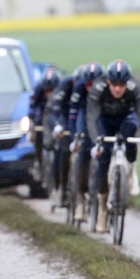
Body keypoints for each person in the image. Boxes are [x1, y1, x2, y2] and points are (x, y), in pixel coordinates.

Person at [86, 59, 140, 233]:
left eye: (121, 85)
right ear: (108, 81)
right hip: (104, 121)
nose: (117, 89)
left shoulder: (135, 88)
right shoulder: (98, 87)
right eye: (114, 84)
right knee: (104, 157)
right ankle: (102, 210)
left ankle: (131, 171)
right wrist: (95, 142)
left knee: (131, 133)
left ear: (127, 82)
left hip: (125, 119)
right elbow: (91, 117)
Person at [69, 61, 104, 221]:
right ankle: (81, 201)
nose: (91, 87)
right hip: (85, 112)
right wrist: (75, 135)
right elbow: (73, 115)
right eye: (88, 84)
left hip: (101, 112)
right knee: (84, 148)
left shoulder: (106, 88)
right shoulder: (79, 88)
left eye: (94, 84)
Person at [49, 64, 85, 207]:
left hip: (79, 120)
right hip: (65, 118)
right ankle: (62, 187)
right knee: (64, 152)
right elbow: (56, 109)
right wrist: (58, 126)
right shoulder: (65, 85)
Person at [29, 65, 60, 180]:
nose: (49, 93)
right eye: (47, 90)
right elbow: (32, 105)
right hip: (41, 119)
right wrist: (31, 119)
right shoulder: (38, 89)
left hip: (55, 117)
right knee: (37, 139)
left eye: (52, 90)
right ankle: (38, 161)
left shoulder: (61, 92)